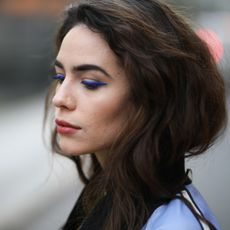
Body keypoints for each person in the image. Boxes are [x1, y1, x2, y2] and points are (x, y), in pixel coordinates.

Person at [44, 0, 227, 229]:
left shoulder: (174, 224)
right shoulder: (108, 191)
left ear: (152, 95)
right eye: (60, 78)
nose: (59, 98)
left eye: (90, 83)